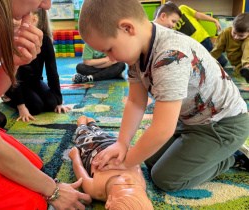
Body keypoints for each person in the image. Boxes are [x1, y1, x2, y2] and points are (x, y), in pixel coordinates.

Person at [78, 0, 249, 192]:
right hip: (190, 120)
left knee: (165, 178)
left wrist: (125, 163)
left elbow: (162, 129)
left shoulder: (170, 56)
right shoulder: (136, 51)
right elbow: (135, 102)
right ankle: (209, 151)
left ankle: (230, 158)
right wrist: (122, 143)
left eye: (109, 49)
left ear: (127, 28)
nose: (110, 58)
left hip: (223, 125)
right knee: (149, 159)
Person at [0, 0, 91, 209]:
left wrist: (14, 62)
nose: (47, 5)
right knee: (31, 201)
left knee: (34, 165)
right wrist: (54, 190)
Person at [68, 116, 154, 209]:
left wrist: (75, 157)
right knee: (101, 133)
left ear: (109, 201)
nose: (130, 180)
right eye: (138, 189)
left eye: (126, 186)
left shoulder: (95, 190)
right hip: (115, 146)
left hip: (90, 150)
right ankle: (93, 125)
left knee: (83, 135)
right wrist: (130, 150)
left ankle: (81, 125)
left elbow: (79, 171)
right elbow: (137, 166)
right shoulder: (141, 184)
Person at [3, 9, 71, 122]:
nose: (14, 20)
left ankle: (46, 100)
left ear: (34, 20)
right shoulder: (15, 41)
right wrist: (21, 106)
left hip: (35, 81)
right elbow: (15, 75)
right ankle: (7, 96)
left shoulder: (46, 41)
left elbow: (52, 71)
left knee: (51, 104)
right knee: (36, 108)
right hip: (16, 83)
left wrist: (59, 101)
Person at [155, 2, 227, 67]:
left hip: (203, 39)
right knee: (205, 65)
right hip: (192, 46)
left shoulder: (183, 8)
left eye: (174, 22)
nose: (174, 25)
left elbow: (199, 15)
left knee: (219, 61)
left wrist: (214, 20)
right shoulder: (170, 27)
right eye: (173, 22)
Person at [210, 12, 249, 83]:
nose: (236, 37)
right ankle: (246, 71)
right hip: (238, 64)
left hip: (246, 62)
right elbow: (217, 49)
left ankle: (247, 66)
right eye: (234, 33)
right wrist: (209, 60)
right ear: (233, 25)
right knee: (239, 71)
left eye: (241, 36)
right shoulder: (226, 33)